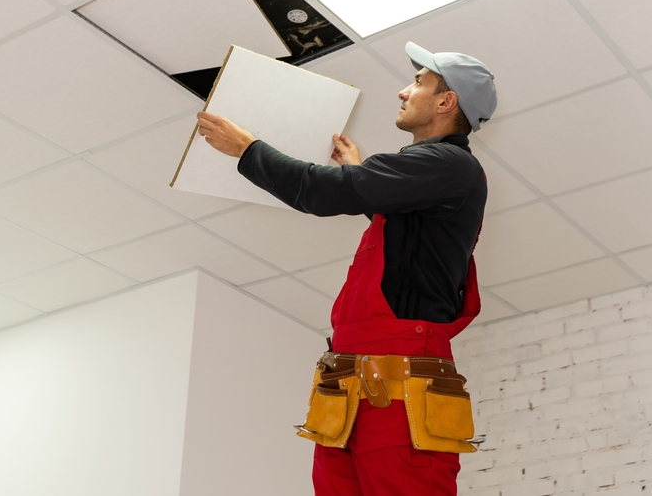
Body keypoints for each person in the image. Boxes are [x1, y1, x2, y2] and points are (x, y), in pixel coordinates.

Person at [196, 42, 497, 496]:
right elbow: (405, 239)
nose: (403, 92)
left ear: (445, 102)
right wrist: (360, 178)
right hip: (348, 385)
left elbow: (321, 192)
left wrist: (247, 149)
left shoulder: (451, 164)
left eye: (418, 83)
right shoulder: (433, 175)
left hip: (402, 385)